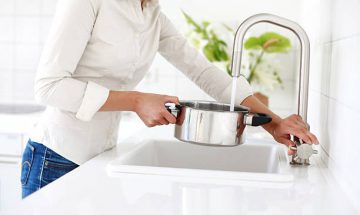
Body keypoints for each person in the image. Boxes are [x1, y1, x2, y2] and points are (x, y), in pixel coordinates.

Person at [20, 0, 318, 198]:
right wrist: (137, 101)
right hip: (55, 159)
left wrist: (275, 124)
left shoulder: (152, 16)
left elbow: (203, 72)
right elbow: (49, 86)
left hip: (101, 158)